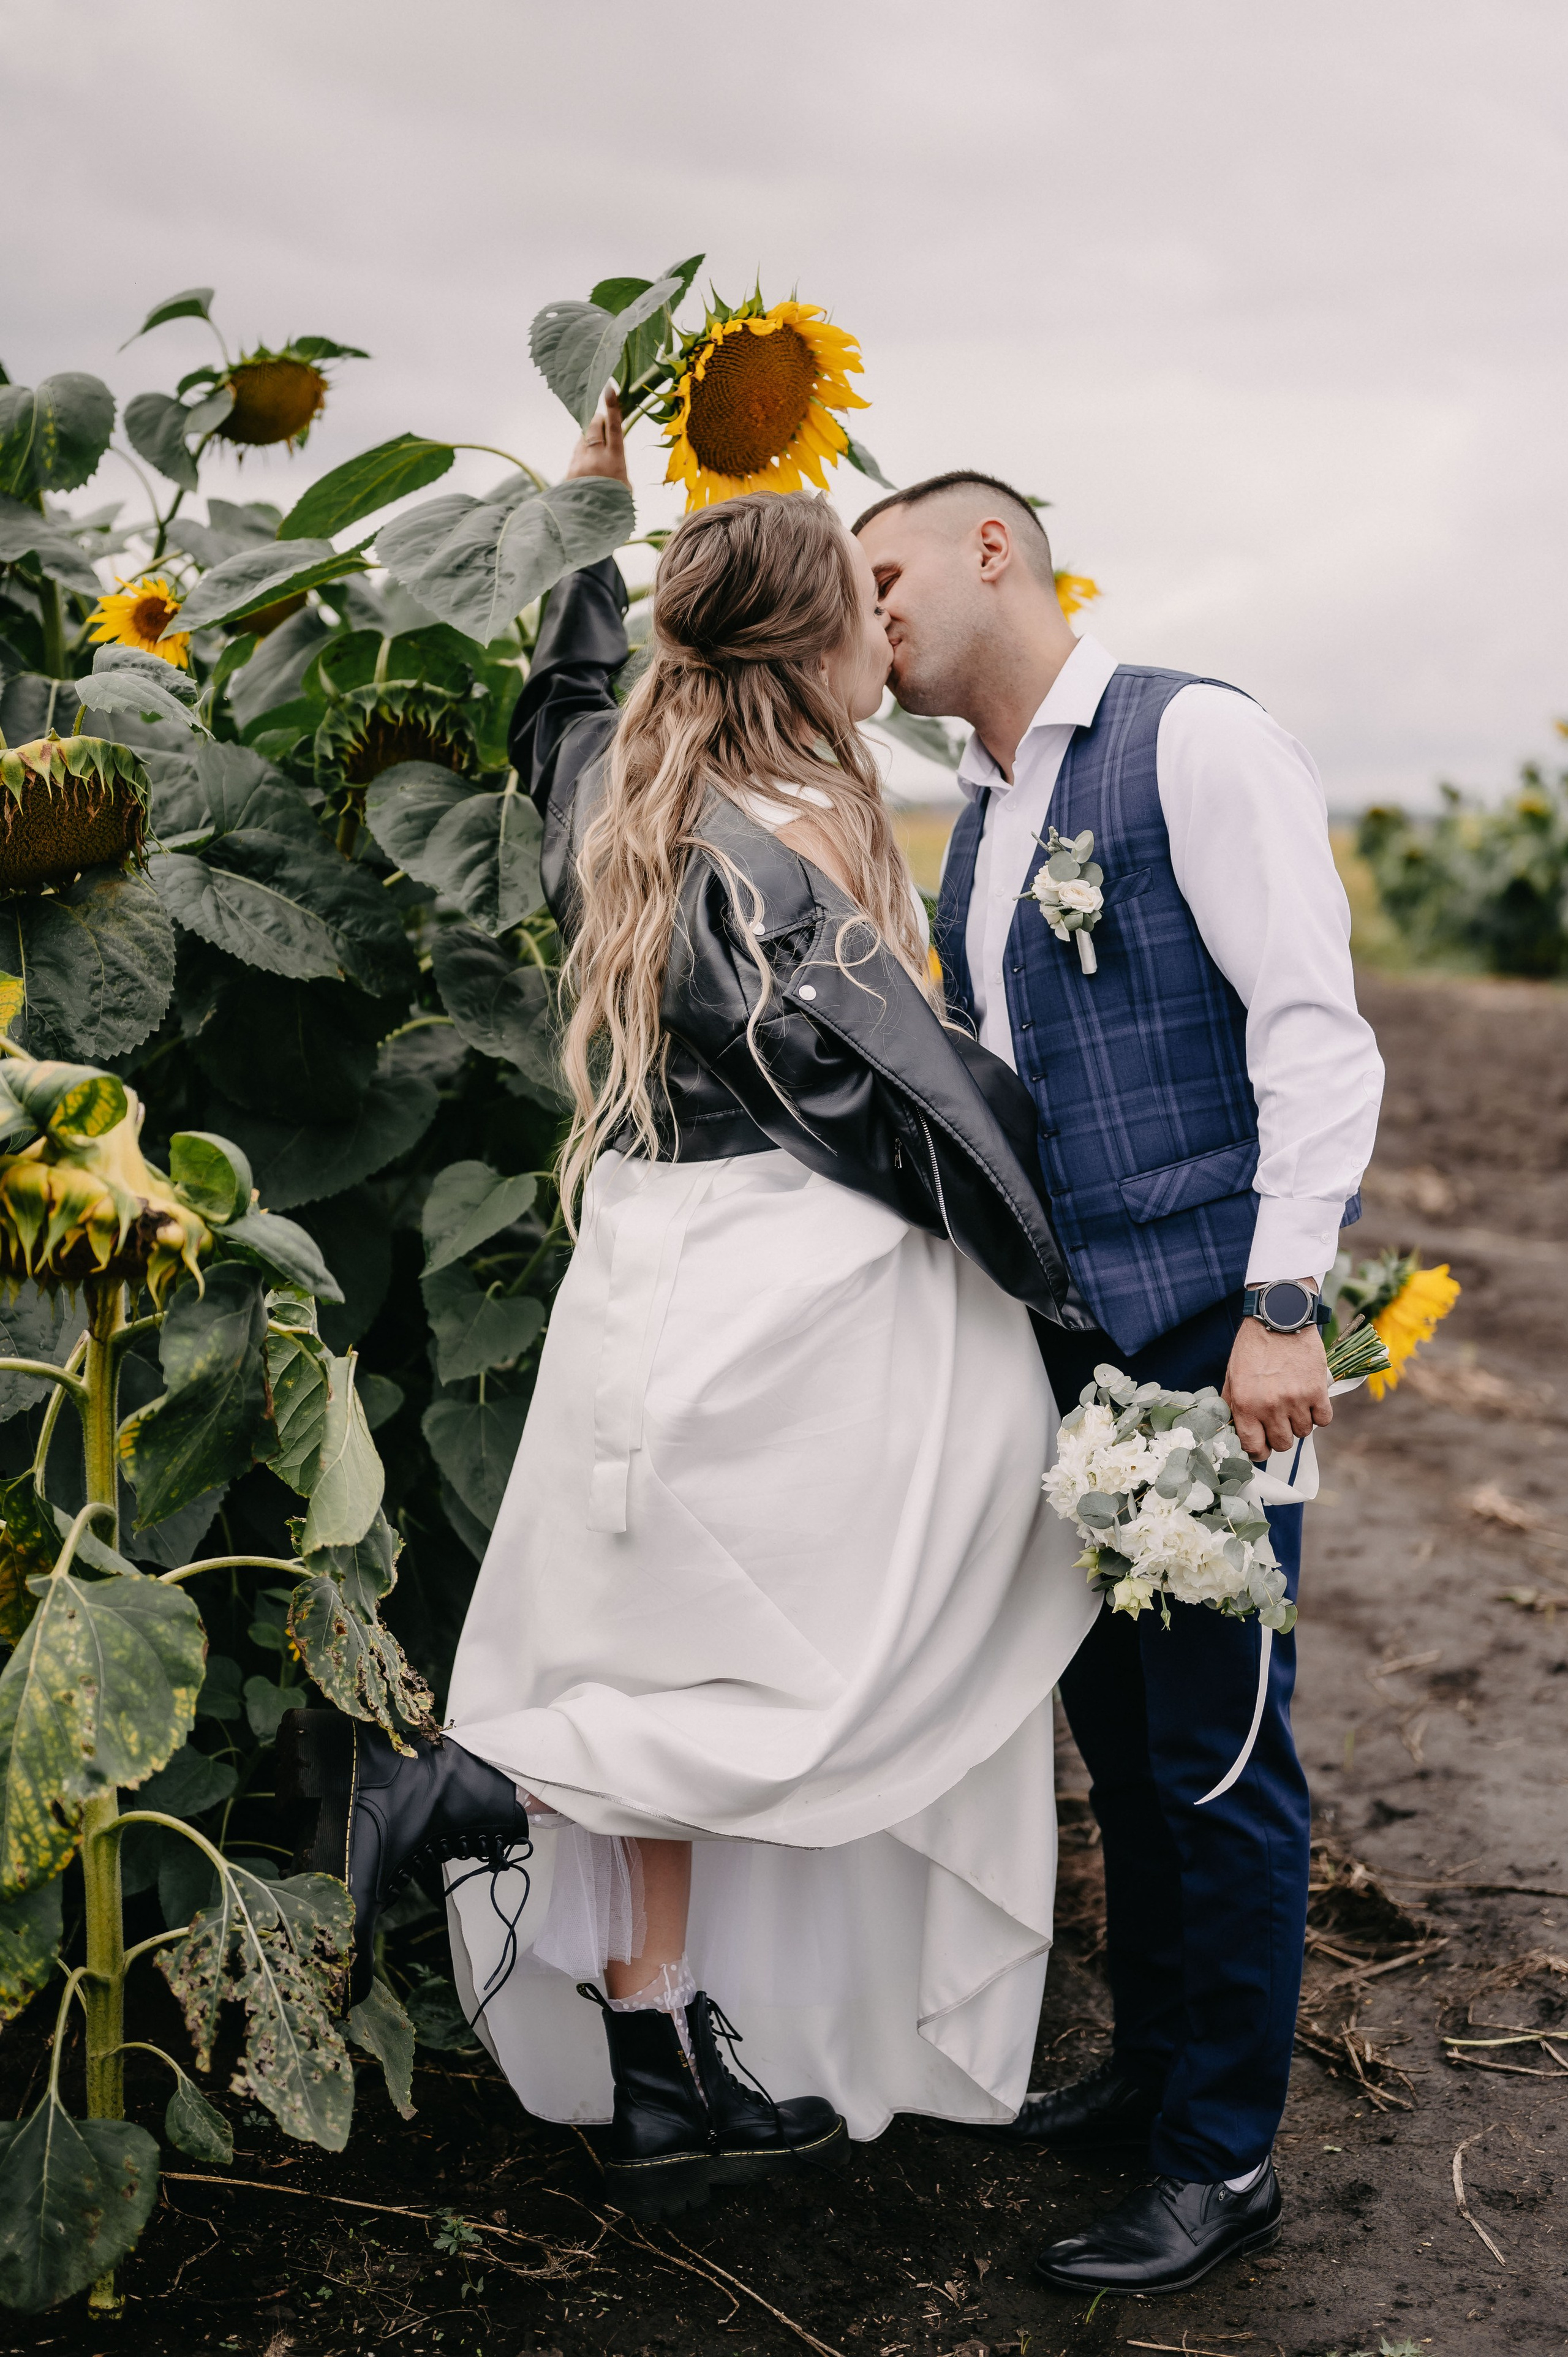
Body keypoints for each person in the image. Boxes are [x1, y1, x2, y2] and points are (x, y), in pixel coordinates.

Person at [283, 402, 1099, 2223]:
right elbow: (896, 1099)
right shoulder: (809, 838)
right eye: (860, 612)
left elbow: (560, 702)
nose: (882, 638)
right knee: (870, 1646)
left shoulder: (625, 794)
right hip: (792, 1286)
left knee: (665, 1664)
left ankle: (658, 2060)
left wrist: (591, 516)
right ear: (809, 645)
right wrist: (1043, 1245)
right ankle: (479, 1784)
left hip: (640, 1272)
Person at [855, 473, 1384, 2293]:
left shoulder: (1193, 739)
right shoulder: (983, 814)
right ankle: (1156, 2068)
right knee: (1126, 1744)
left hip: (1213, 1337)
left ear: (991, 548)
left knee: (1221, 1750)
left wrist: (1286, 1305)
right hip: (1070, 1348)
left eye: (888, 570)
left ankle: (1225, 2159)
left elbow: (1313, 1034)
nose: (871, 611)